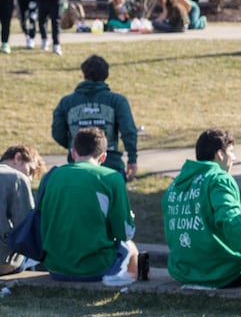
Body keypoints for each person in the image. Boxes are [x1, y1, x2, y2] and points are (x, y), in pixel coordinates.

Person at [163, 129, 241, 288]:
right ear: (220, 154)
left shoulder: (174, 185)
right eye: (231, 152)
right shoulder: (219, 179)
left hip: (183, 272)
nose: (234, 158)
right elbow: (230, 220)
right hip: (218, 273)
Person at [38, 127, 138, 285]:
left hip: (55, 267)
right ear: (103, 157)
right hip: (95, 268)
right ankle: (130, 291)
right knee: (131, 248)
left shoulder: (50, 177)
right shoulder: (111, 178)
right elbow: (125, 233)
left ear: (73, 152)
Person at [52, 55, 139, 180]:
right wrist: (132, 159)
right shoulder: (117, 101)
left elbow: (57, 132)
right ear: (105, 75)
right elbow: (128, 131)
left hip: (77, 165)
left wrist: (75, 144)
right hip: (110, 165)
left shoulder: (67, 102)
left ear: (84, 74)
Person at [0, 145, 42, 274]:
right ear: (17, 157)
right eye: (30, 170)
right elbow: (27, 226)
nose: (30, 178)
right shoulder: (16, 178)